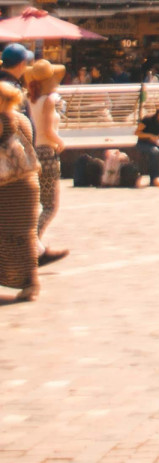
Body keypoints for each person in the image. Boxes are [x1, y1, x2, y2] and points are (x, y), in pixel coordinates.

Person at [25, 57, 69, 266]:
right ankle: (34, 244)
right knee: (50, 205)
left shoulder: (29, 99)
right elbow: (48, 130)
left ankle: (32, 244)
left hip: (33, 152)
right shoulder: (50, 100)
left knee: (37, 203)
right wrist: (60, 142)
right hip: (47, 153)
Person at [0, 77, 40, 302]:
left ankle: (29, 283)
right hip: (27, 183)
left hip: (7, 188)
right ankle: (30, 283)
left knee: (10, 237)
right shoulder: (21, 119)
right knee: (24, 238)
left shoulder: (2, 120)